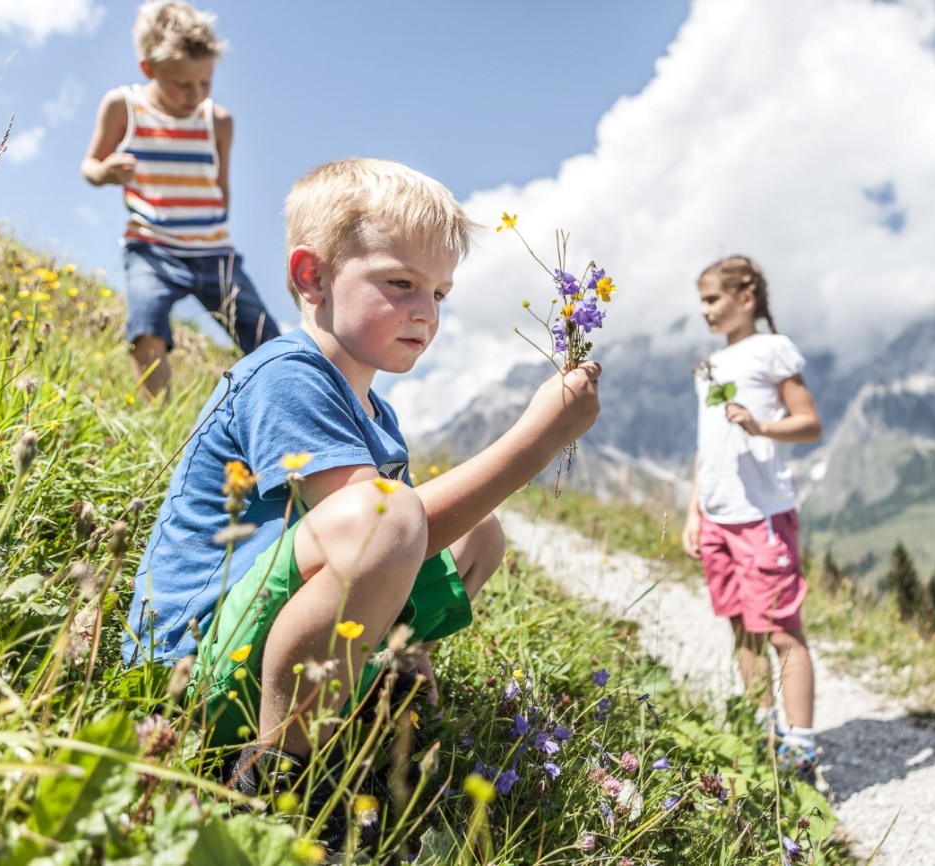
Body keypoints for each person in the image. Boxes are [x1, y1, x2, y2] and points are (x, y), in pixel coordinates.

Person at [121, 157, 602, 843]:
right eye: (400, 283)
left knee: (477, 533)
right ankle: (277, 773)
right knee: (389, 511)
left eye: (440, 292)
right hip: (192, 664)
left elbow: (403, 547)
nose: (426, 312)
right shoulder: (288, 376)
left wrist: (416, 649)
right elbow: (384, 527)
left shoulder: (374, 413)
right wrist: (534, 443)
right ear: (311, 276)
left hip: (264, 635)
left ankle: (384, 680)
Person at [81, 1, 280, 399]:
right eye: (182, 85)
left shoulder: (218, 121)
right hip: (150, 247)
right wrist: (105, 172)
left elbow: (220, 185)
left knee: (266, 339)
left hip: (214, 251)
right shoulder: (124, 106)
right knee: (146, 326)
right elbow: (91, 163)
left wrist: (212, 224)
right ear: (149, 69)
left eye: (204, 83)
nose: (195, 94)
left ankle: (282, 411)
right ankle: (159, 421)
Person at [679, 255, 825, 787]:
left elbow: (808, 423)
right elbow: (706, 446)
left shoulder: (771, 350)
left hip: (760, 515)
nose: (705, 311)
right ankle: (763, 736)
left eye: (713, 299)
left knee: (782, 630)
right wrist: (695, 512)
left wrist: (760, 424)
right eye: (701, 301)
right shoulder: (709, 367)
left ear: (746, 298)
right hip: (718, 515)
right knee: (742, 628)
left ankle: (801, 749)